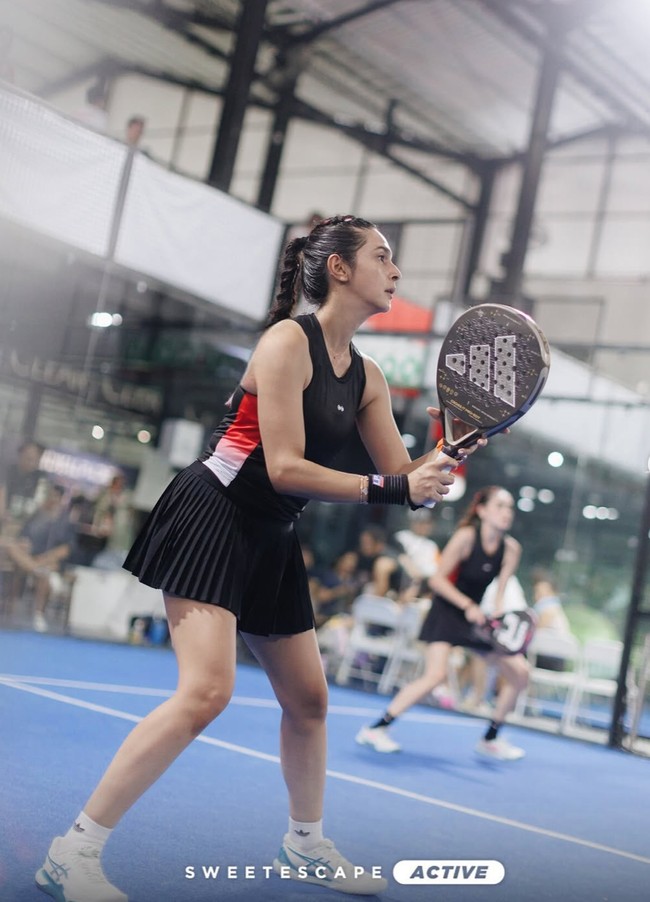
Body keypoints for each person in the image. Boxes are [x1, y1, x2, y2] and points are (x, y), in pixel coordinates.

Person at [37, 214, 476, 900]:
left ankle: (304, 845)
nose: (395, 272)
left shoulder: (369, 377)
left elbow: (403, 482)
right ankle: (74, 849)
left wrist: (442, 463)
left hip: (272, 533)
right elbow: (285, 468)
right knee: (206, 692)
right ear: (339, 269)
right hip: (213, 512)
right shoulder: (285, 344)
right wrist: (397, 485)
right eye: (383, 258)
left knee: (309, 700)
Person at [356, 486, 529, 761]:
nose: (507, 513)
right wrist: (467, 606)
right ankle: (376, 729)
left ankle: (491, 738)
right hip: (448, 610)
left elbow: (499, 592)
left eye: (510, 507)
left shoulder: (511, 549)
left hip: (475, 618)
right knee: (435, 675)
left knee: (520, 673)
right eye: (500, 506)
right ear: (482, 510)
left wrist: (496, 618)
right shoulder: (466, 537)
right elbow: (437, 581)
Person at [4, 483, 76, 632]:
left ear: (62, 499)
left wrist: (45, 558)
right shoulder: (37, 515)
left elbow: (66, 549)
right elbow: (23, 536)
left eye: (55, 496)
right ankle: (37, 570)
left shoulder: (65, 521)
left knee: (46, 568)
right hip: (29, 559)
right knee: (11, 547)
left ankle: (38, 614)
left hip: (49, 561)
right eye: (49, 495)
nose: (51, 499)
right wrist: (24, 543)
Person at [0, 439, 47, 527]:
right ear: (20, 454)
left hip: (25, 526)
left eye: (35, 459)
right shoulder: (7, 471)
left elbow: (40, 504)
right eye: (28, 457)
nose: (31, 462)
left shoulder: (40, 479)